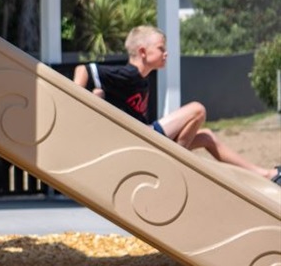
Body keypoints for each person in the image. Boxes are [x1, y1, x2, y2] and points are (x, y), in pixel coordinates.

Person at [73, 25, 280, 184]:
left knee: (207, 137)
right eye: (161, 48)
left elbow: (101, 92)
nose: (166, 53)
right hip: (140, 139)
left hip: (143, 138)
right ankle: (173, 163)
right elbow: (83, 69)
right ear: (143, 52)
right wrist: (75, 102)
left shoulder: (142, 79)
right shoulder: (129, 74)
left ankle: (267, 175)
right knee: (197, 110)